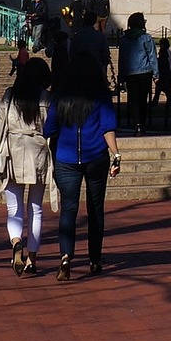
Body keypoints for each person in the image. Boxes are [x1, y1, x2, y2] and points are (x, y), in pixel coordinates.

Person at [45, 55, 120, 280]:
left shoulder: (60, 98)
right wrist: (116, 154)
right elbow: (108, 128)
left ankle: (66, 255)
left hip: (67, 158)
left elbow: (49, 128)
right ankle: (94, 259)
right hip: (95, 155)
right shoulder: (100, 97)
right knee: (95, 209)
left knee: (69, 209)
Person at [0, 58, 54, 277]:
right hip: (37, 152)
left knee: (13, 208)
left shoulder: (9, 95)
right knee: (35, 208)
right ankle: (32, 257)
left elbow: (0, 127)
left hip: (12, 152)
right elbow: (50, 128)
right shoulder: (46, 98)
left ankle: (16, 242)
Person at [117, 13, 156, 135]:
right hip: (144, 72)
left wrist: (121, 75)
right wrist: (156, 73)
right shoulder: (146, 38)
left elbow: (122, 58)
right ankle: (142, 124)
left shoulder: (123, 39)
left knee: (133, 100)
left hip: (130, 73)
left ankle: (137, 124)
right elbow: (152, 56)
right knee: (143, 99)